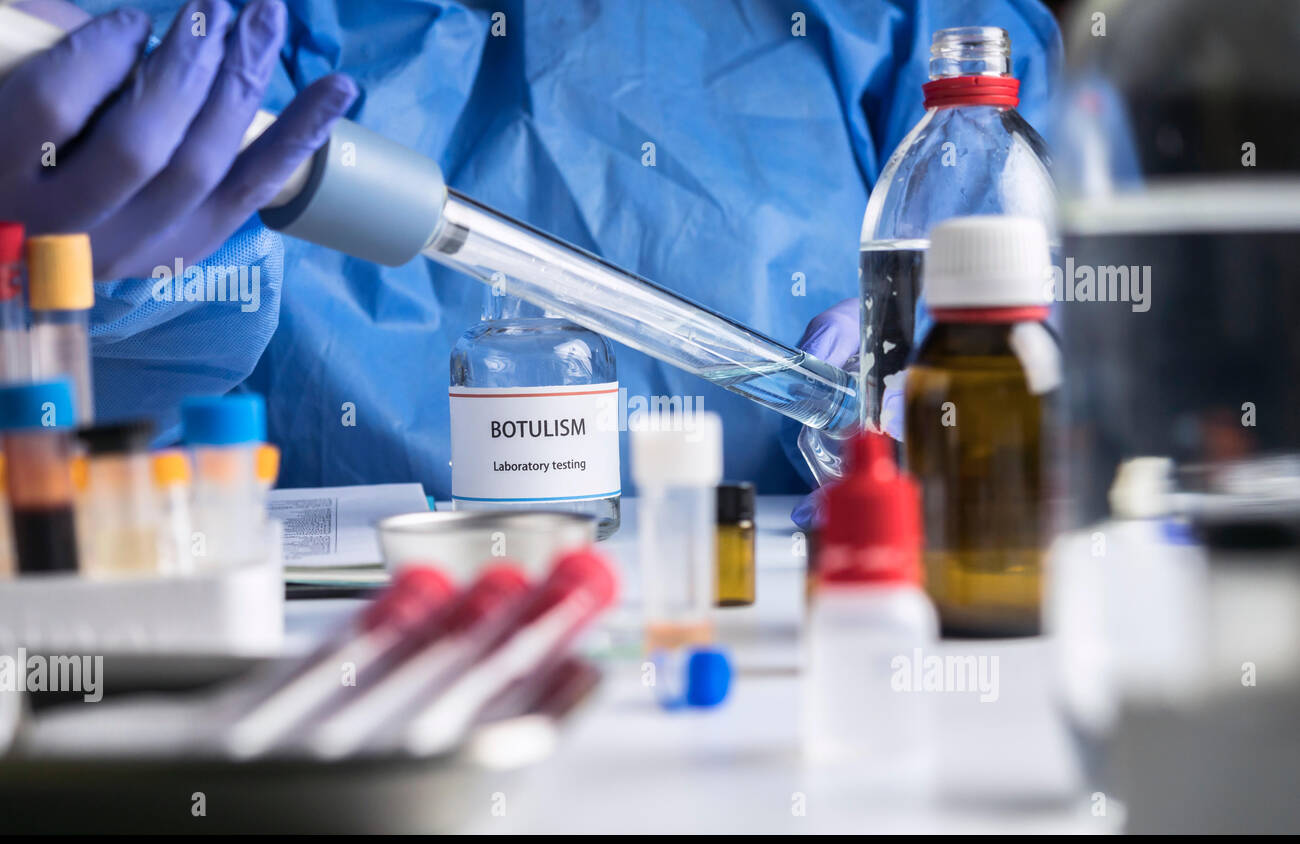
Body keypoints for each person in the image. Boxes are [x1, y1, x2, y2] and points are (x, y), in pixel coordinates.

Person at [0, 0, 1062, 511]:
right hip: (326, 665)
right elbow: (80, 450)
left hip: (789, 636)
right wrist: (83, 273)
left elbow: (1005, 215)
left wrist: (970, 348)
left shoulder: (898, 21)